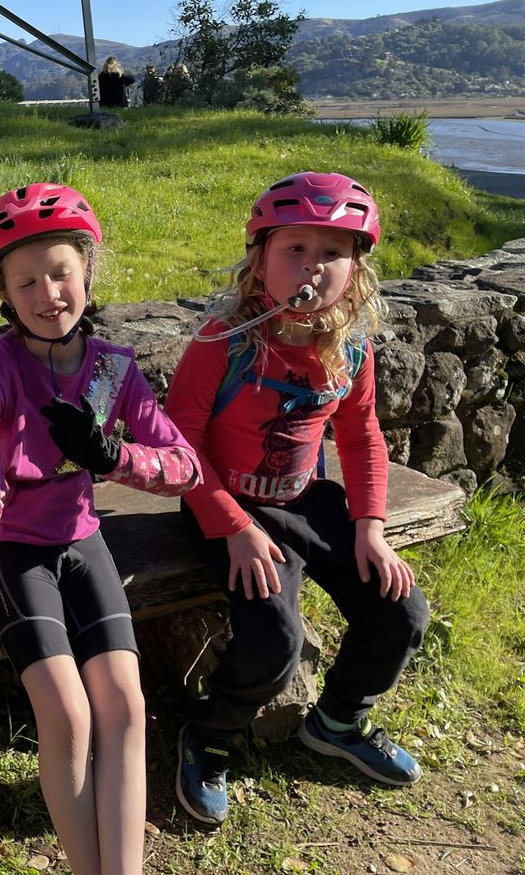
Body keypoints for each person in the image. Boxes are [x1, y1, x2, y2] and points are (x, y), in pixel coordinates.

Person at [0, 183, 202, 874]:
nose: (47, 292)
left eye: (60, 272)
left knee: (124, 704)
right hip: (17, 553)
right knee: (68, 715)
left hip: (84, 542)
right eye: (25, 281)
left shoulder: (113, 369)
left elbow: (185, 468)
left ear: (87, 271)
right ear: (2, 294)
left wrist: (114, 456)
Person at [163, 172, 429, 827]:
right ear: (260, 260)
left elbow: (362, 435)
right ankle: (210, 734)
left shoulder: (350, 346)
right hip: (226, 507)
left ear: (355, 270)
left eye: (332, 254)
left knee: (401, 613)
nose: (313, 267)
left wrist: (370, 526)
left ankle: (337, 720)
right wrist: (232, 527)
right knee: (275, 640)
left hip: (308, 501)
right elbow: (179, 445)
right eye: (296, 249)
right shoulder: (221, 341)